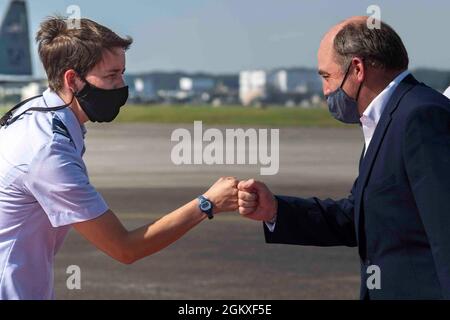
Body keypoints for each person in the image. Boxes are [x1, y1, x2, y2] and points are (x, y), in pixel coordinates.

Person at [0, 17, 238, 300]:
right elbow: (125, 248)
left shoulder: (32, 112)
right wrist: (207, 203)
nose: (122, 86)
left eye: (122, 73)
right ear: (72, 79)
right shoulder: (48, 152)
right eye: (111, 76)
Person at [238, 16, 450, 299]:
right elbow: (361, 216)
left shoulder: (419, 117)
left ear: (358, 69)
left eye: (327, 77)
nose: (326, 90)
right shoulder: (385, 120)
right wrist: (275, 210)